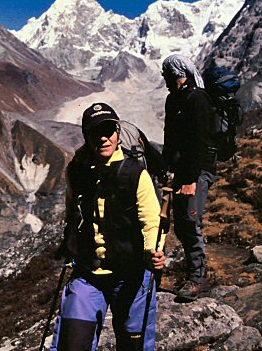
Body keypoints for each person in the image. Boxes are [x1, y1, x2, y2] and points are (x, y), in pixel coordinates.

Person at [51, 103, 165, 351]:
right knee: (73, 344)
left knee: (134, 346)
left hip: (132, 273)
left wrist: (152, 252)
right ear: (87, 137)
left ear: (117, 133)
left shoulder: (135, 173)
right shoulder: (78, 172)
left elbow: (151, 219)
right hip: (89, 274)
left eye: (108, 130)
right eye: (95, 132)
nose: (103, 138)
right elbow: (73, 212)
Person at [161, 55, 218, 302]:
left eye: (167, 75)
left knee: (190, 220)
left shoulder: (197, 99)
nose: (164, 80)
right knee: (182, 224)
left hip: (197, 171)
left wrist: (191, 179)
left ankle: (198, 278)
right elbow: (170, 138)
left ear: (177, 75)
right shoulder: (174, 100)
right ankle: (194, 273)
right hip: (182, 171)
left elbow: (198, 142)